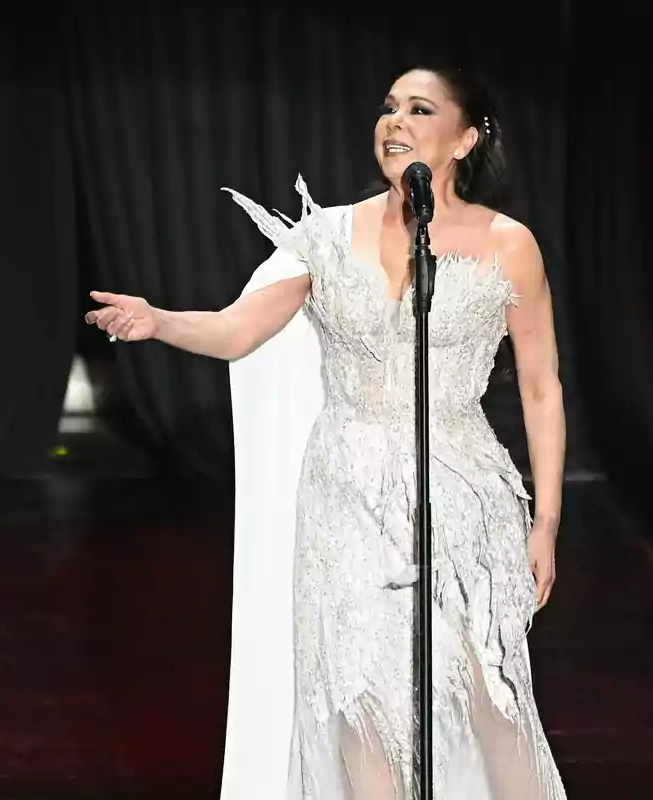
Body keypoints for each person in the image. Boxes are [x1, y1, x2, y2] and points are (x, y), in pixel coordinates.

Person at [85, 67, 567, 799]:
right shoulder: (327, 236)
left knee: (488, 699)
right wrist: (161, 321)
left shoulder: (509, 245)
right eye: (388, 107)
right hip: (348, 497)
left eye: (419, 108)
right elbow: (238, 329)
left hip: (461, 496)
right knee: (361, 704)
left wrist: (548, 523)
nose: (395, 121)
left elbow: (541, 386)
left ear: (466, 138)